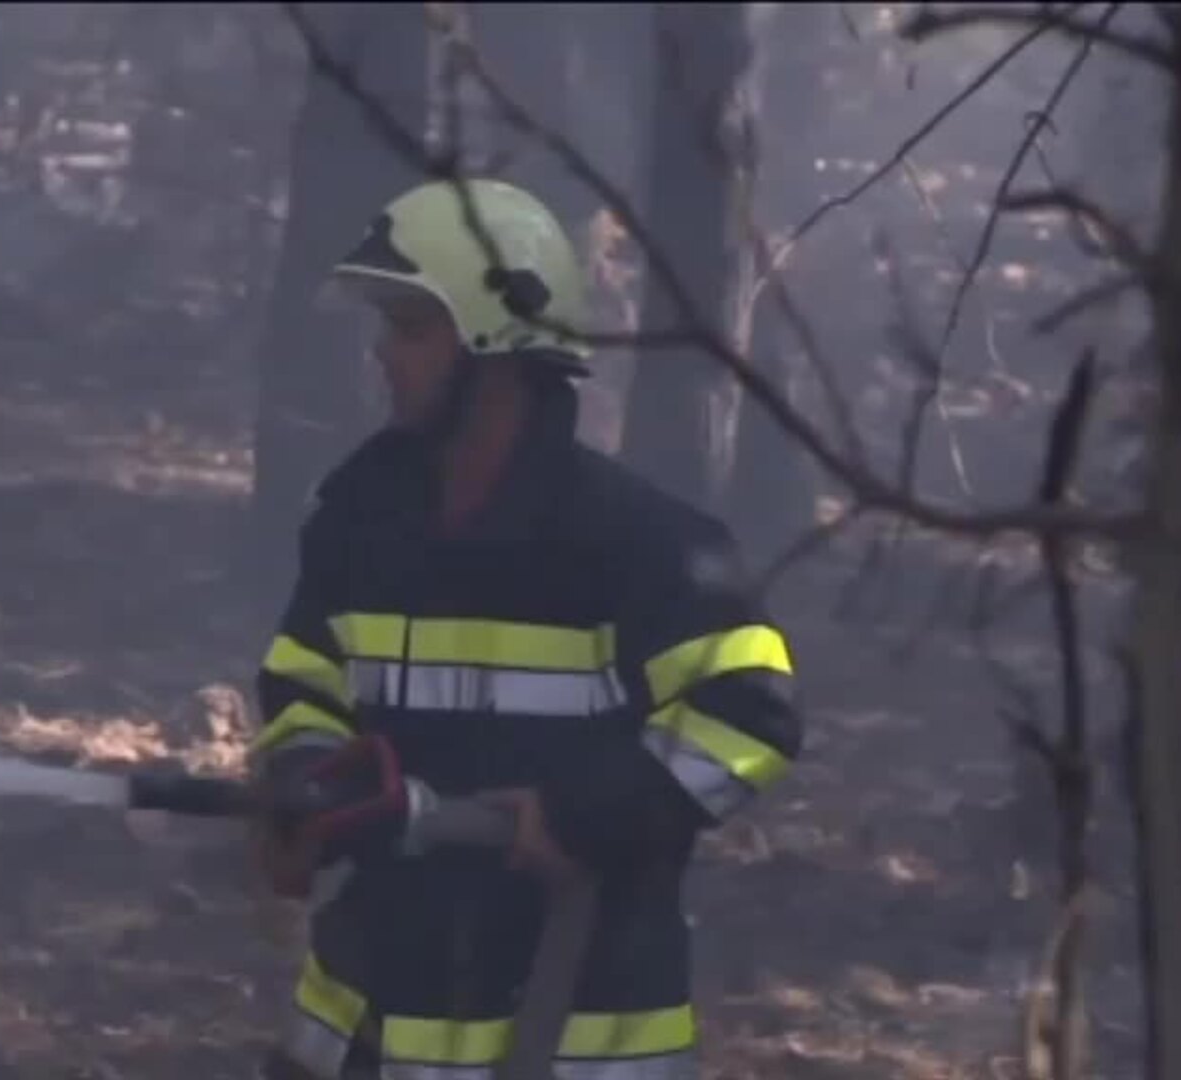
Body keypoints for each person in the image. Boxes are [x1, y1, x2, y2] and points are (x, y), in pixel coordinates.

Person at [249, 179, 805, 1080]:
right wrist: (305, 782)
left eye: (411, 327)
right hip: (371, 1022)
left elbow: (751, 713)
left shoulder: (638, 545)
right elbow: (304, 680)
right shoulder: (359, 526)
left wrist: (584, 817)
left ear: (497, 349)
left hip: (568, 1025)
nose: (383, 355)